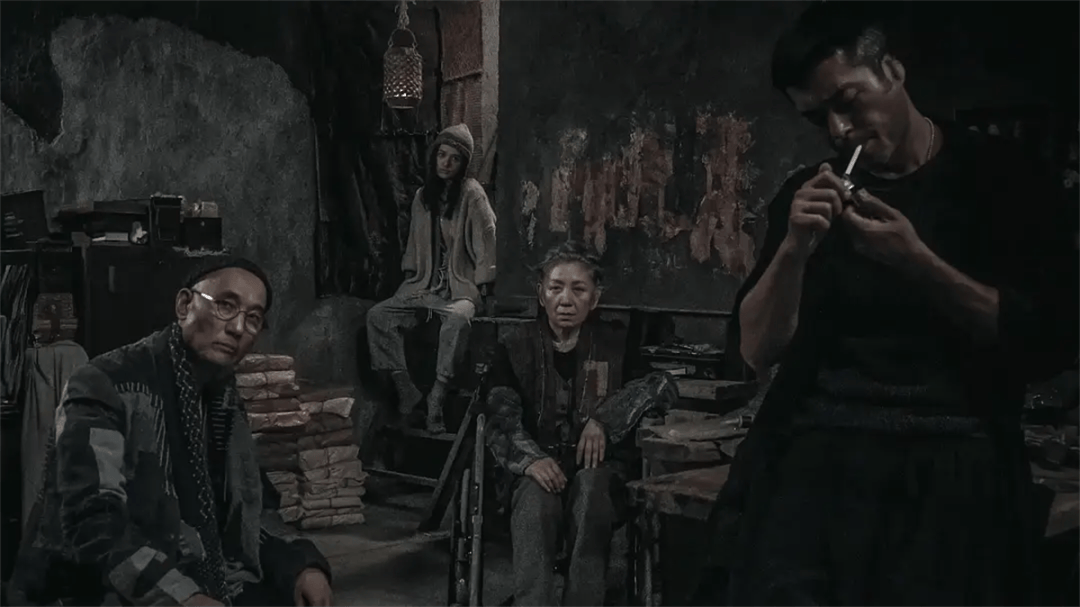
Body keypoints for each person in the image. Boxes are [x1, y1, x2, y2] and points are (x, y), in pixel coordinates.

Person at [703, 3, 1080, 606]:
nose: (838, 130)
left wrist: (917, 262)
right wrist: (794, 249)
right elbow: (755, 350)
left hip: (955, 463)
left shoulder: (1005, 180)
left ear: (893, 70)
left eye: (848, 102)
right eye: (818, 117)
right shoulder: (808, 193)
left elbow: (1046, 341)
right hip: (819, 462)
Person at [7, 258, 334, 607]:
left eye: (253, 318)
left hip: (199, 571)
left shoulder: (223, 398)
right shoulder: (106, 383)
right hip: (92, 587)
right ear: (184, 305)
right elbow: (93, 523)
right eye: (226, 306)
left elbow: (250, 511)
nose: (238, 327)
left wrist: (300, 565)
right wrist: (184, 598)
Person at [485, 241, 678, 607]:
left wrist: (605, 419)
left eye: (579, 289)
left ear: (595, 297)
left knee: (591, 490)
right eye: (556, 288)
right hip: (535, 471)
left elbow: (660, 385)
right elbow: (499, 412)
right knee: (535, 498)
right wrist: (530, 460)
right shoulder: (514, 346)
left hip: (599, 475)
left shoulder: (616, 343)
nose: (566, 299)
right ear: (541, 294)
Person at [367, 123, 497, 434]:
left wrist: (484, 286)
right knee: (378, 316)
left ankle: (437, 396)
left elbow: (487, 239)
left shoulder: (472, 194)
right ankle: (406, 389)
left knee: (458, 319)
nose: (446, 163)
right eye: (441, 155)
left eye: (455, 158)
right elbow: (414, 245)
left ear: (463, 165)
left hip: (460, 287)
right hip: (426, 285)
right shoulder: (422, 197)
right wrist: (412, 280)